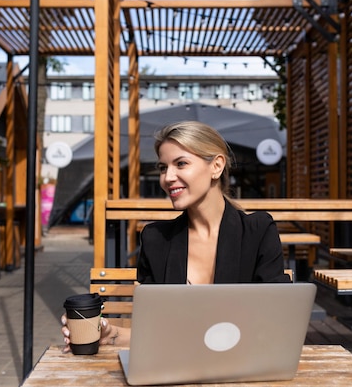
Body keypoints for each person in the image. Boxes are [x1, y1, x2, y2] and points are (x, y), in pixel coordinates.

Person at [62, 120, 290, 350]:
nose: (168, 177)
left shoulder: (258, 231)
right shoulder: (156, 239)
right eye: (163, 168)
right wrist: (109, 335)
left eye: (181, 163)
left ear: (217, 166)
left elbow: (276, 323)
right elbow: (154, 333)